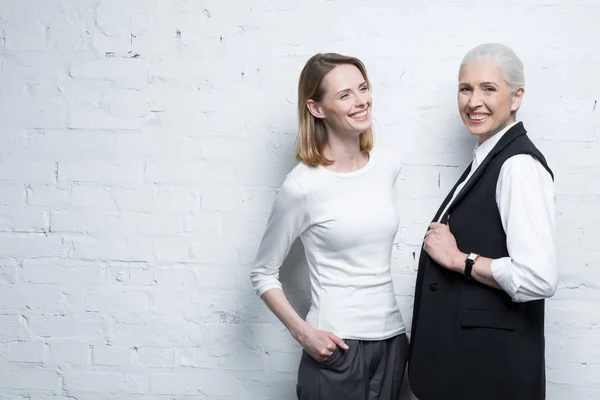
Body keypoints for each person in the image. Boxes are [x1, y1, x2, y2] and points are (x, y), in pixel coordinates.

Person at [250, 53, 408, 400]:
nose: (361, 101)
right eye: (344, 94)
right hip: (336, 347)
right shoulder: (303, 186)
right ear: (317, 108)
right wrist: (303, 333)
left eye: (362, 88)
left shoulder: (388, 164)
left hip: (393, 342)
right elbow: (263, 273)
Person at [408, 43, 558, 400]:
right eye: (465, 88)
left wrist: (463, 260)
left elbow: (537, 277)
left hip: (491, 375)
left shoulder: (518, 166)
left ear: (517, 96)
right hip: (469, 368)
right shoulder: (489, 158)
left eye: (489, 88)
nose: (474, 101)